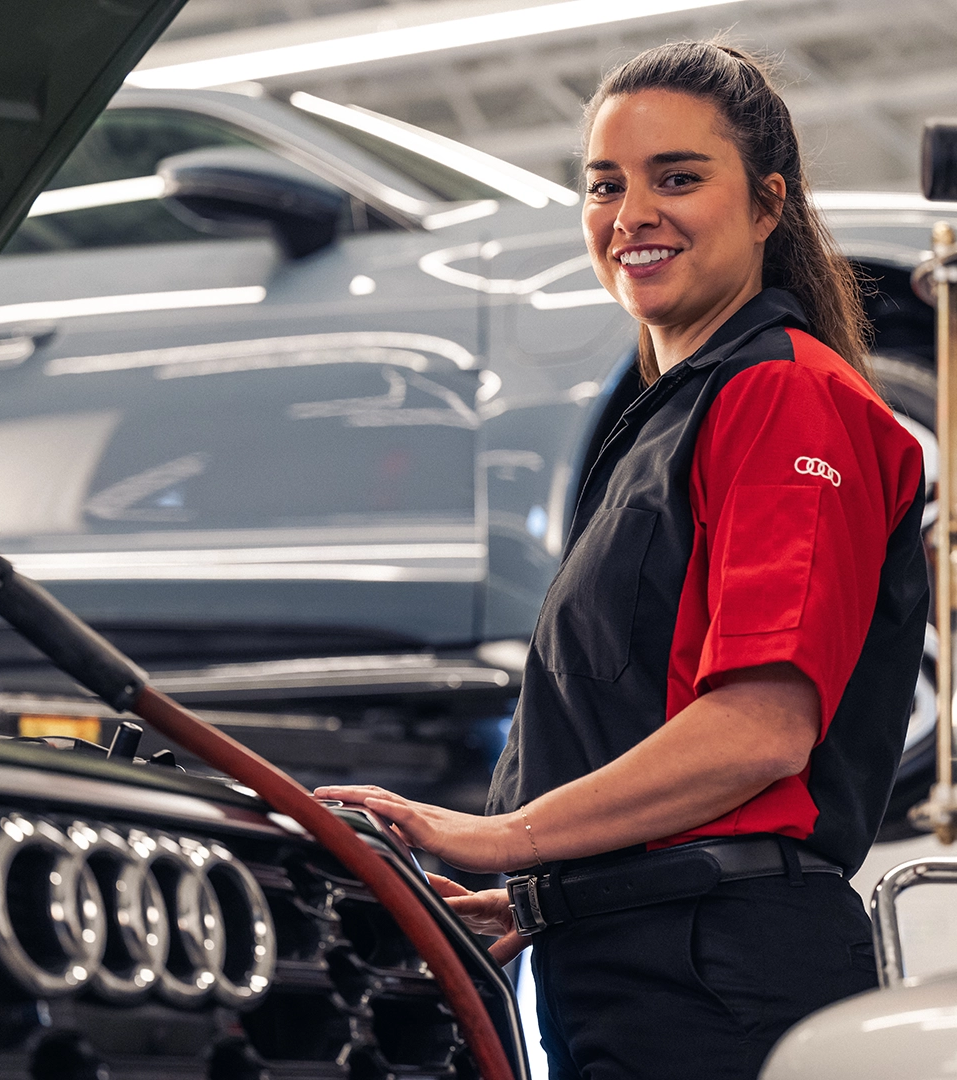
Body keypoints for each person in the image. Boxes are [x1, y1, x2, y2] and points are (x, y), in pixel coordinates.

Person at [316, 41, 929, 1080]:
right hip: (632, 959)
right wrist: (541, 889)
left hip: (721, 972)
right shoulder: (664, 425)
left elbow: (759, 730)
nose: (631, 214)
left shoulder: (785, 396)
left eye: (677, 178)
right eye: (605, 185)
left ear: (768, 204)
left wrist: (503, 836)